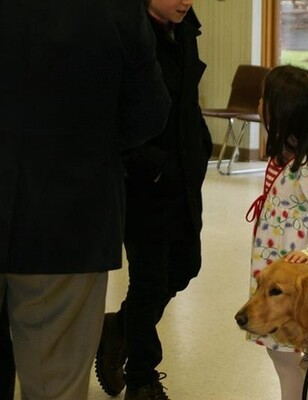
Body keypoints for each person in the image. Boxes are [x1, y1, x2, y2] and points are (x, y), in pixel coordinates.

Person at [0, 0, 170, 398]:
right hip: (68, 218)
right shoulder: (116, 8)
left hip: (64, 218)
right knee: (54, 383)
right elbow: (148, 114)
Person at [94, 0, 213, 399]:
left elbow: (186, 98)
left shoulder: (185, 29)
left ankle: (117, 328)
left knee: (185, 267)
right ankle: (142, 377)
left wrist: (200, 146)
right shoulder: (124, 30)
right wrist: (147, 162)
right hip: (144, 182)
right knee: (149, 281)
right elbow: (106, 110)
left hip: (183, 176)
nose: (185, 1)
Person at [245, 65, 308, 400]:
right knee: (287, 360)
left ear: (283, 112)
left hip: (294, 294)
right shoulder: (284, 157)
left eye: (265, 100)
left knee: (290, 362)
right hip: (277, 284)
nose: (259, 105)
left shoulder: (307, 169)